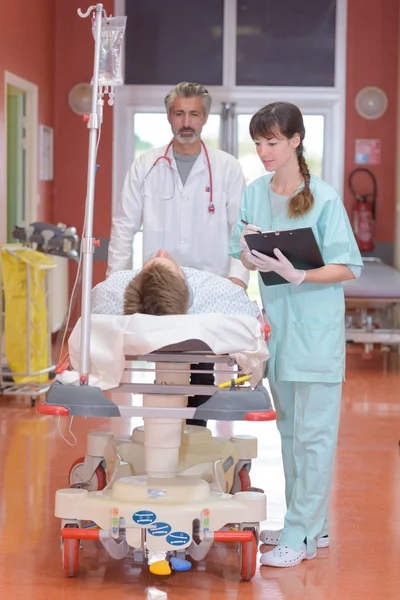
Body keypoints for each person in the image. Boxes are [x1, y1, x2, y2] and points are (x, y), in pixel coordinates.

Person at [228, 102, 364, 568]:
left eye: (273, 142)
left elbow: (350, 266)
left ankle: (298, 534)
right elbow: (239, 252)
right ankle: (310, 525)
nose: (264, 152)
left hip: (316, 333)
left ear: (295, 141)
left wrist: (301, 276)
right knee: (288, 434)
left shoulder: (323, 198)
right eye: (259, 142)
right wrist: (253, 256)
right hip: (278, 333)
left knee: (315, 436)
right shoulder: (254, 192)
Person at [107, 81, 249, 425]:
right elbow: (124, 226)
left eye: (194, 114)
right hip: (160, 284)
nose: (186, 121)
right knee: (165, 364)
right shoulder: (146, 164)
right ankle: (163, 437)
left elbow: (241, 228)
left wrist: (237, 277)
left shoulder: (227, 168)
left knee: (202, 369)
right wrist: (116, 279)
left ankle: (196, 438)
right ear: (169, 116)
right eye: (179, 113)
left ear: (206, 117)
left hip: (210, 283)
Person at [92, 249, 260, 320]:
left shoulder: (108, 294)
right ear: (183, 277)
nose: (163, 250)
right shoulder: (224, 297)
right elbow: (251, 317)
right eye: (166, 259)